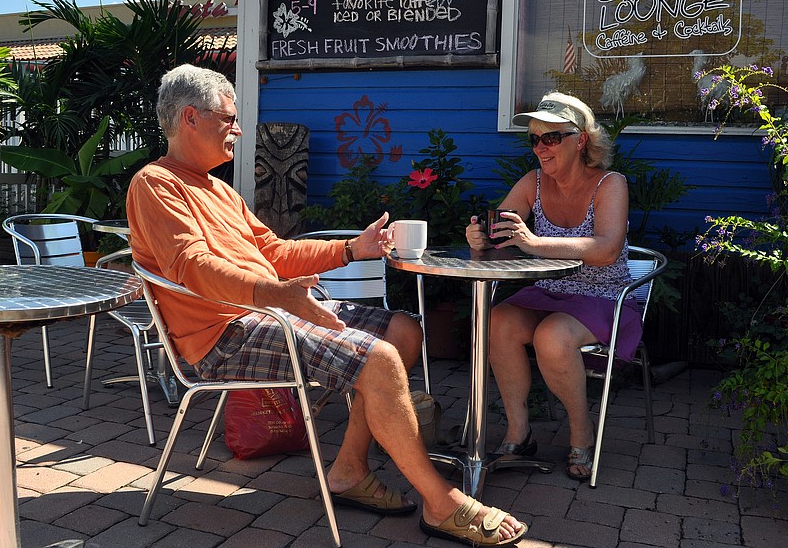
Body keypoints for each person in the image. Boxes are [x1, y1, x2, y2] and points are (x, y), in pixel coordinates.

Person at [127, 64, 528, 547]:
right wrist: (276, 294)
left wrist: (351, 250)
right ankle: (441, 502)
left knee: (402, 331)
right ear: (190, 118)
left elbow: (272, 252)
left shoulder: (219, 190)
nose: (237, 128)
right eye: (229, 118)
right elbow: (193, 267)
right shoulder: (155, 184)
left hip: (269, 310)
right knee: (378, 359)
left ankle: (349, 470)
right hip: (222, 335)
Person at [466, 91, 641, 482]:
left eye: (550, 138)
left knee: (551, 335)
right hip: (548, 293)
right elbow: (505, 240)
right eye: (534, 139)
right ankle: (519, 432)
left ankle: (581, 434)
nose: (540, 148)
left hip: (604, 294)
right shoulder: (533, 182)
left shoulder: (611, 184)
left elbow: (607, 249)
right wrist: (482, 239)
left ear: (580, 140)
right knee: (497, 321)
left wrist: (532, 243)